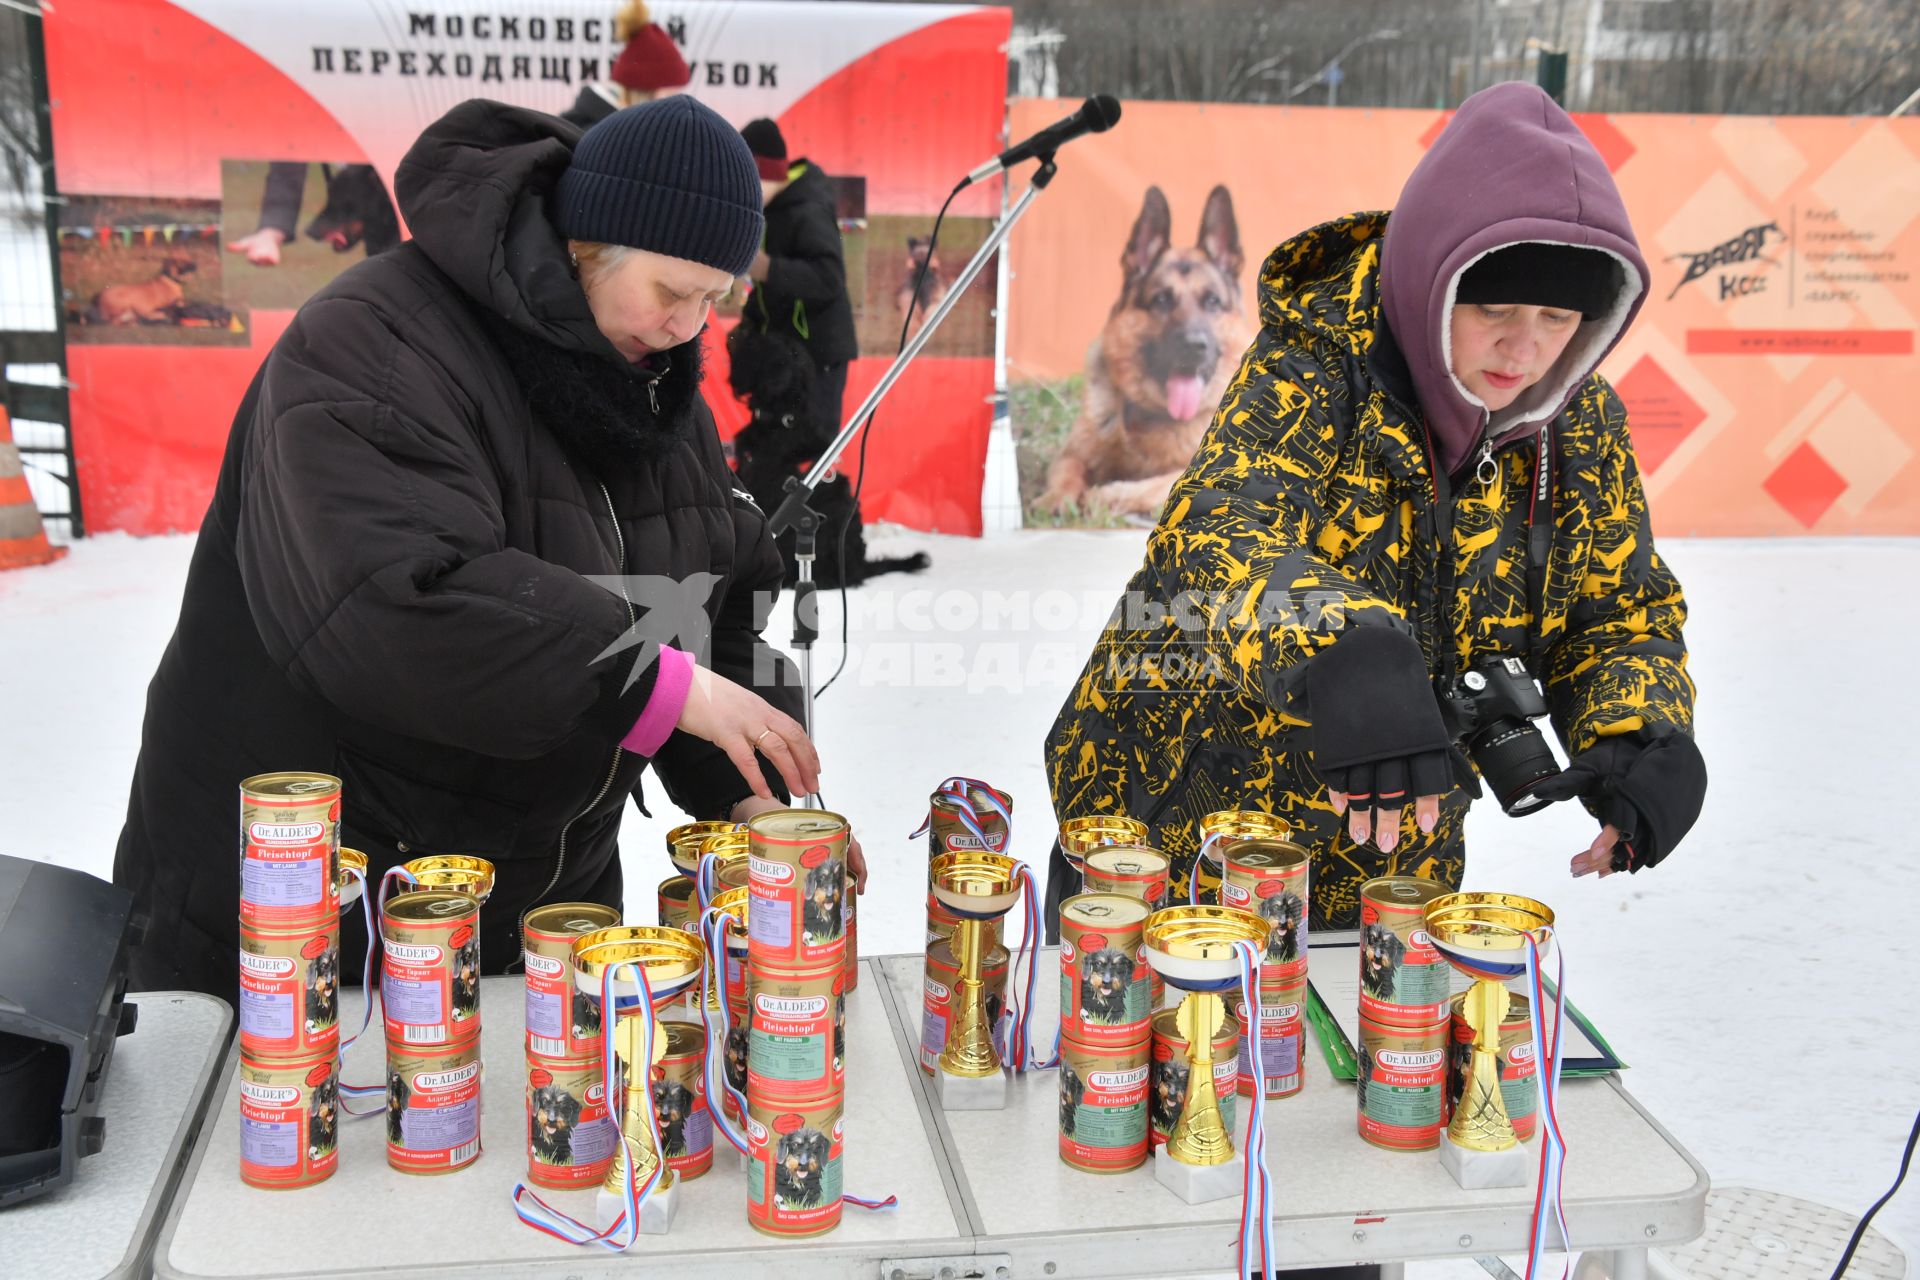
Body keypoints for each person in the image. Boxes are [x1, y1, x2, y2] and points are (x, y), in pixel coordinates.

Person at [113, 95, 864, 1001]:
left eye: (715, 299)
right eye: (671, 291)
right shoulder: (373, 343)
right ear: (589, 242)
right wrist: (658, 683)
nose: (686, 329)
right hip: (322, 906)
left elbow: (708, 599)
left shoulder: (655, 387)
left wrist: (744, 787)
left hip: (540, 905)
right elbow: (397, 601)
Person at [1043, 82, 1707, 936]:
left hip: (1391, 857)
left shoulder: (1580, 425)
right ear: (1433, 283)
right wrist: (1343, 643)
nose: (1526, 347)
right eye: (1494, 307)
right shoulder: (1311, 365)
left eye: (1557, 315)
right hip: (1169, 837)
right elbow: (1212, 533)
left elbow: (1616, 609)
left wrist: (1637, 731)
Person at [736, 117, 858, 445]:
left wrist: (767, 270)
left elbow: (829, 278)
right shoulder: (774, 208)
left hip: (817, 357)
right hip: (786, 356)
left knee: (806, 454)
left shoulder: (807, 208)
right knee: (773, 449)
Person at [561, 0, 691, 128]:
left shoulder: (586, 125)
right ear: (653, 96)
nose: (678, 107)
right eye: (672, 96)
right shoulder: (611, 136)